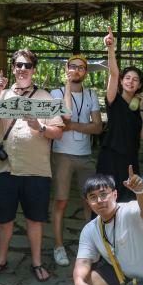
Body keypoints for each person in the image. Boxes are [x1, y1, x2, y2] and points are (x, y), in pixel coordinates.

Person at [0, 49, 64, 282]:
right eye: (18, 65)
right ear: (13, 68)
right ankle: (1, 260)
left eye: (27, 65)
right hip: (5, 169)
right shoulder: (4, 94)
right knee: (4, 219)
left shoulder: (46, 98)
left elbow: (58, 133)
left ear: (33, 69)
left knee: (35, 219)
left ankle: (37, 263)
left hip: (36, 169)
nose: (22, 69)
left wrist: (39, 126)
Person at [50, 54, 102, 266]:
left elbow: (97, 127)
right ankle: (58, 245)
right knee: (61, 201)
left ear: (86, 72)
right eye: (73, 67)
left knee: (90, 201)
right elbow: (67, 115)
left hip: (85, 155)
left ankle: (91, 245)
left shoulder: (91, 94)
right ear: (66, 69)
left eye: (81, 68)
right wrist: (67, 87)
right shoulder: (57, 92)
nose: (76, 71)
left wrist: (72, 127)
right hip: (62, 154)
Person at [96, 26, 143, 204]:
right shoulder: (113, 99)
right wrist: (111, 49)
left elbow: (142, 135)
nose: (130, 81)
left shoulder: (136, 108)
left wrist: (140, 109)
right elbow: (113, 72)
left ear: (139, 85)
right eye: (127, 78)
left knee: (129, 204)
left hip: (130, 160)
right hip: (110, 158)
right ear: (122, 81)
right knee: (106, 200)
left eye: (135, 79)